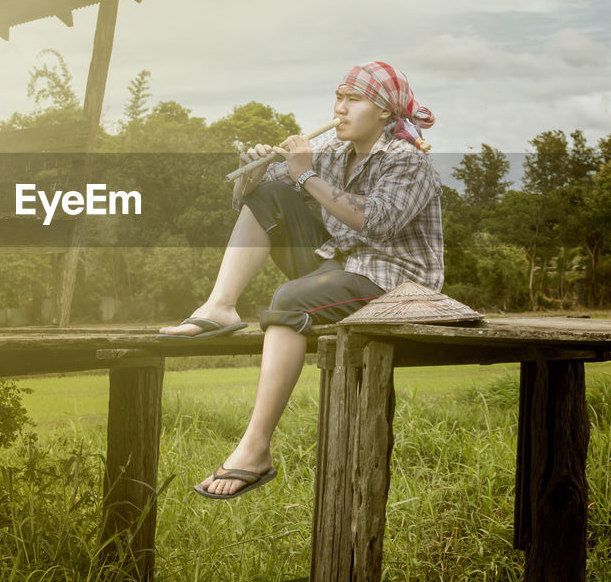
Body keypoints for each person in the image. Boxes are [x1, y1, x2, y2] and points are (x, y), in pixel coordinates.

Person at [157, 61, 443, 498]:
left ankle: (255, 450)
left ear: (385, 111)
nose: (340, 108)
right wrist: (251, 171)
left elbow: (374, 222)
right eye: (338, 97)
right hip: (340, 265)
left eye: (354, 99)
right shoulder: (332, 151)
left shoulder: (407, 162)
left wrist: (305, 173)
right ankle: (219, 305)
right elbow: (255, 195)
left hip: (396, 285)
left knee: (289, 298)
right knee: (269, 193)